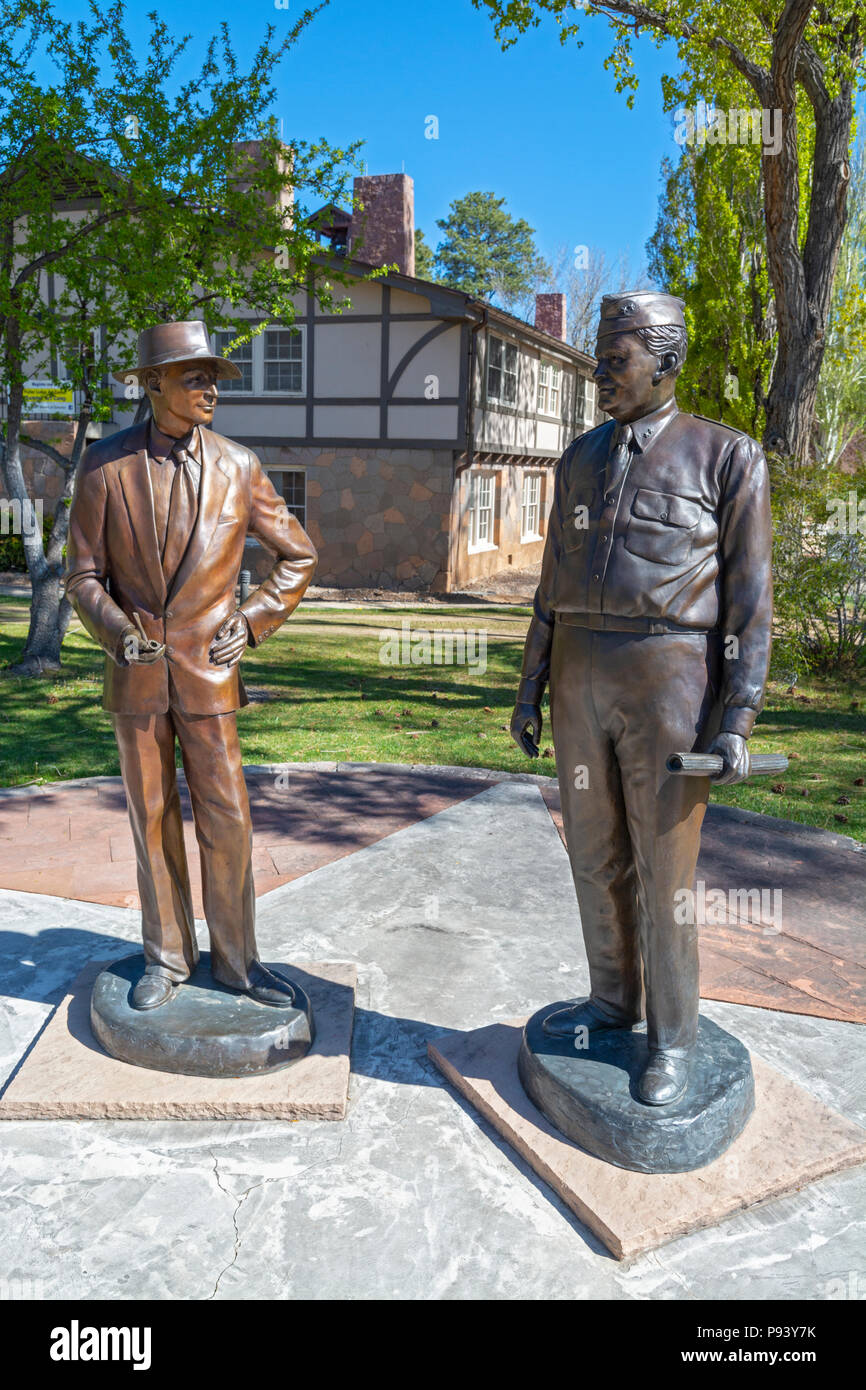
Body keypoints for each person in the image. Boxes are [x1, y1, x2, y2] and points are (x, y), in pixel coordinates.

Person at [511, 292, 772, 1104]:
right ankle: (611, 1000)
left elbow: (751, 598)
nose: (599, 377)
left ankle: (674, 1038)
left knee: (665, 873)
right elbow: (551, 581)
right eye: (598, 360)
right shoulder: (578, 459)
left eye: (615, 361)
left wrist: (737, 717)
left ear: (666, 362)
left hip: (671, 682)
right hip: (581, 678)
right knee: (594, 856)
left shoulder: (726, 458)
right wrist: (531, 683)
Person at [65, 320, 317, 1011]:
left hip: (211, 672)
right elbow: (82, 575)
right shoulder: (103, 467)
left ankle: (238, 962)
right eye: (194, 376)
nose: (210, 389)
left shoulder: (240, 466)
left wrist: (255, 619)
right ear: (153, 384)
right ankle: (168, 958)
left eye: (212, 377)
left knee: (228, 818)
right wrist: (116, 632)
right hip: (137, 677)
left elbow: (297, 555)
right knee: (150, 820)